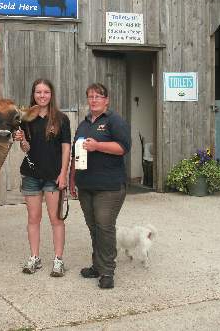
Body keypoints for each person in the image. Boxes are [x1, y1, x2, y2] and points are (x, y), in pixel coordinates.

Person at [69, 83, 131, 289]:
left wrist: (97, 146)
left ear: (107, 100)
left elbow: (123, 148)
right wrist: (72, 179)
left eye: (98, 96)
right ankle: (97, 265)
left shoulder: (114, 121)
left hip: (110, 187)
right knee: (93, 227)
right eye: (90, 96)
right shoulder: (84, 123)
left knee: (104, 227)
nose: (94, 100)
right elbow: (75, 153)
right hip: (86, 185)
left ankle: (107, 272)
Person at [13, 79, 71, 277]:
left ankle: (58, 259)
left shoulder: (62, 119)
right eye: (38, 92)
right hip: (31, 175)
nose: (42, 95)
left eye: (46, 92)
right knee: (33, 218)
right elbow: (26, 149)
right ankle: (34, 257)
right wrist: (22, 141)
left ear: (51, 95)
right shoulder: (25, 119)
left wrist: (64, 173)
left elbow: (66, 148)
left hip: (53, 176)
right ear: (33, 94)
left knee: (55, 219)